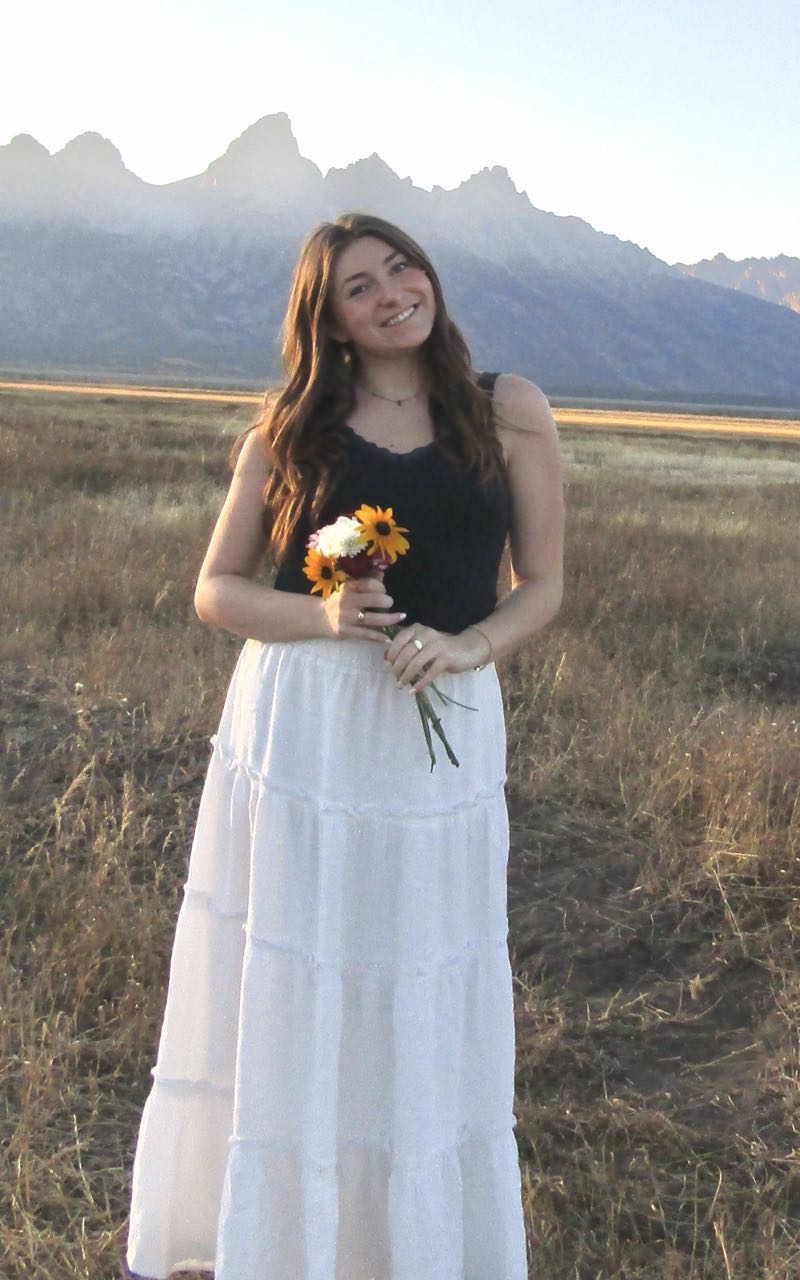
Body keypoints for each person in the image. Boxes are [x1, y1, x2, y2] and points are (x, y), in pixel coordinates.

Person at [126, 211, 564, 1280]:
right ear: (328, 321)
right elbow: (216, 589)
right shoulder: (289, 429)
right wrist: (321, 616)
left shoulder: (507, 407)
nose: (391, 292)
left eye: (401, 267)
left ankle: (400, 1245)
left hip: (442, 721)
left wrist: (466, 646)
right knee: (297, 965)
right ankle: (272, 1242)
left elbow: (543, 584)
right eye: (359, 287)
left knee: (414, 963)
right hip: (306, 729)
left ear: (429, 274)